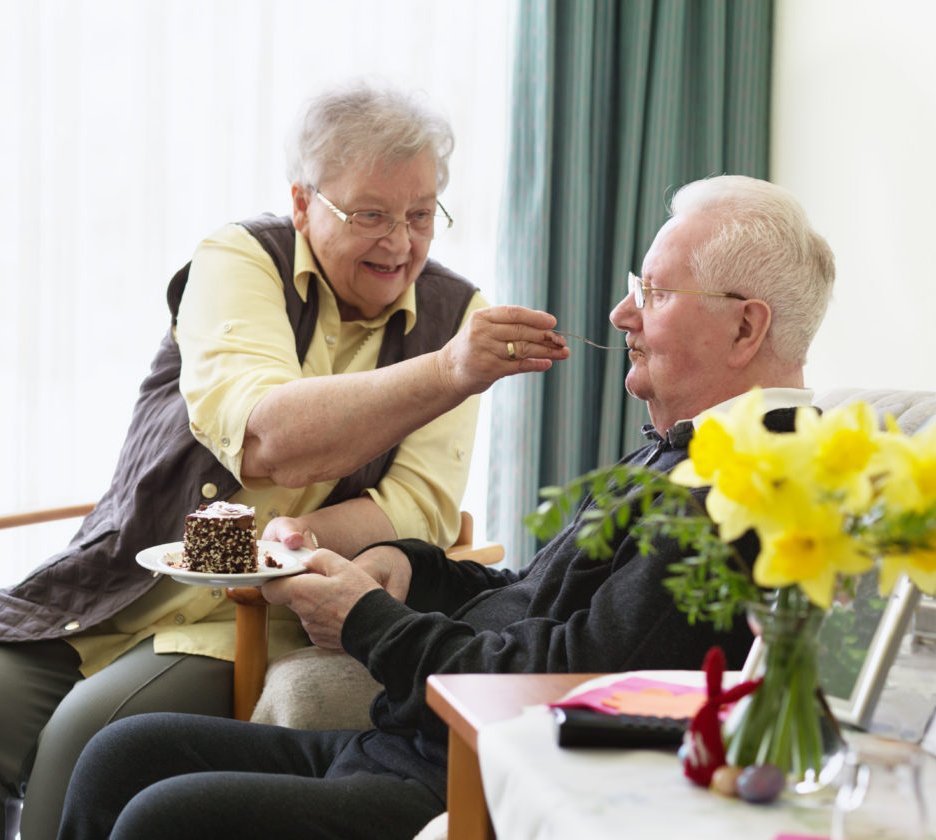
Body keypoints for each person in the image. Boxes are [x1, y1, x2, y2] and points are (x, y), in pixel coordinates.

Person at [53, 174, 837, 840]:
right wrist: (409, 567)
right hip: (409, 747)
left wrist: (365, 620)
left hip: (460, 781)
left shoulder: (750, 489)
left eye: (654, 294)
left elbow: (561, 678)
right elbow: (534, 597)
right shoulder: (688, 448)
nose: (621, 316)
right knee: (122, 752)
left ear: (745, 325)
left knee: (167, 816)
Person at [0, 79, 570, 840]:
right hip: (124, 576)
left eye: (420, 214)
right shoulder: (240, 259)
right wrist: (446, 372)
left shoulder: (458, 317)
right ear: (303, 202)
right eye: (370, 214)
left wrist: (293, 548)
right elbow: (266, 434)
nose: (401, 243)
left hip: (252, 615)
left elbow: (419, 507)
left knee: (82, 748)